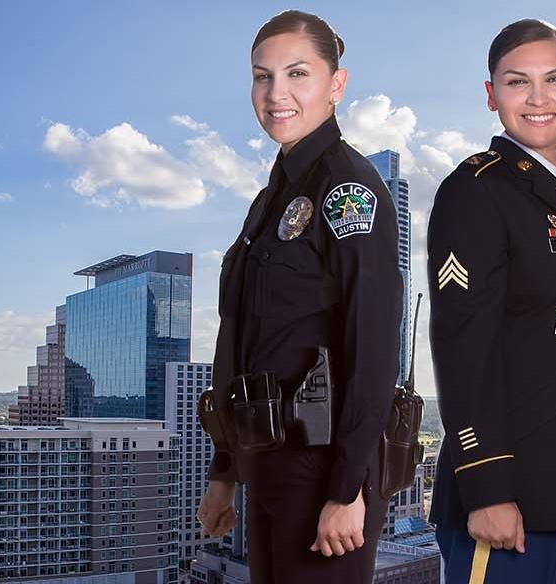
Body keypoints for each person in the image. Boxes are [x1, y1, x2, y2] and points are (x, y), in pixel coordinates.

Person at [427, 18, 556, 584]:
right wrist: (487, 487)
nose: (539, 98)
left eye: (555, 79)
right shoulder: (476, 188)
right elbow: (463, 346)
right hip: (507, 493)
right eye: (518, 82)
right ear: (491, 95)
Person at [195, 10, 402, 584]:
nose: (276, 93)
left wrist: (347, 489)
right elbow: (240, 343)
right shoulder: (269, 203)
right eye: (262, 77)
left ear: (337, 85)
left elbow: (373, 348)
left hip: (322, 475)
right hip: (266, 466)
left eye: (297, 74)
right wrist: (224, 471)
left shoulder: (348, 190)